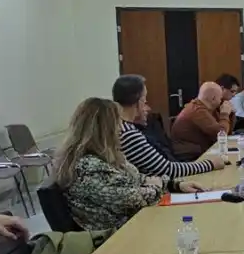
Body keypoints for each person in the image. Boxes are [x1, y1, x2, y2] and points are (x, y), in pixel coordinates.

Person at [56, 98, 207, 232]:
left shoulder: (108, 157)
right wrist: (155, 186)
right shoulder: (88, 167)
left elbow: (138, 178)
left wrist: (175, 185)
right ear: (105, 130)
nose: (120, 129)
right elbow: (133, 200)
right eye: (117, 124)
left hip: (135, 224)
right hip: (117, 238)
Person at [112, 74, 223, 179]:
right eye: (145, 100)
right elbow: (167, 169)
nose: (147, 107)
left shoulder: (121, 127)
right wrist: (210, 164)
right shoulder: (128, 134)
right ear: (138, 102)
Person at [170, 81, 234, 160]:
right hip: (190, 156)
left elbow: (227, 131)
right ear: (213, 98)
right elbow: (221, 133)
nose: (221, 102)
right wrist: (224, 114)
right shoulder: (197, 111)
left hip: (199, 151)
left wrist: (231, 114)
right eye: (220, 99)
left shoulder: (207, 109)